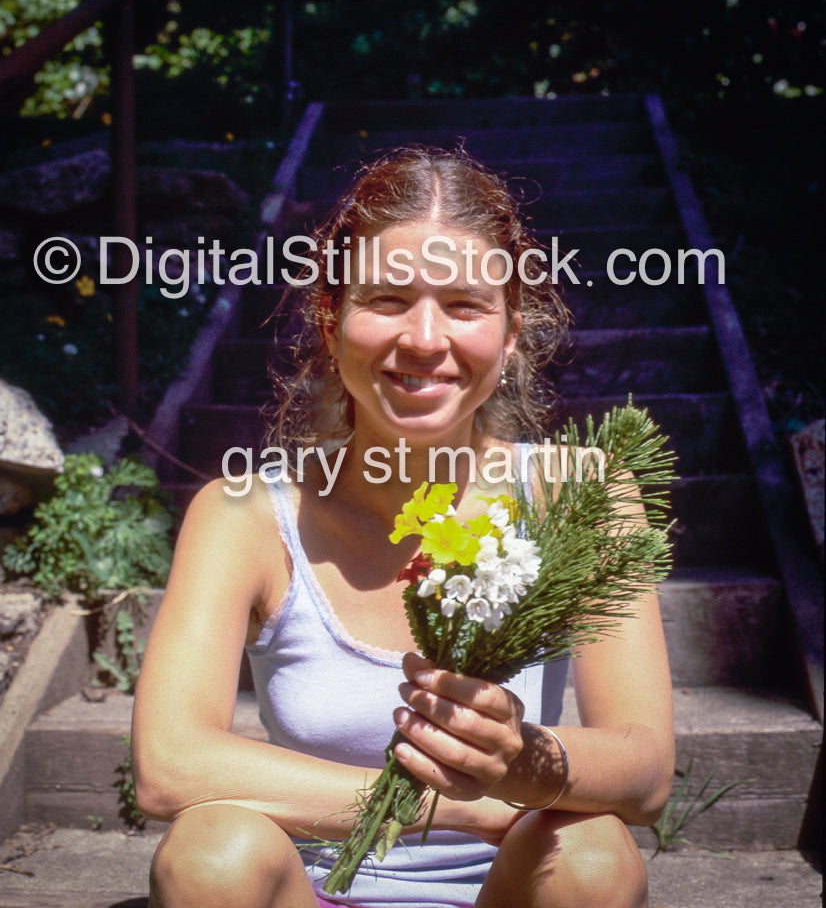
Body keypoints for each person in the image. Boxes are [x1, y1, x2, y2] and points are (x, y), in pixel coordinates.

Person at [132, 146, 675, 908]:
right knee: (209, 853)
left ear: (512, 329)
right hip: (306, 891)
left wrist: (522, 761)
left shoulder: (579, 496)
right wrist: (457, 801)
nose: (424, 339)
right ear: (331, 318)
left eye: (464, 305)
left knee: (593, 852)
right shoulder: (243, 513)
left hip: (508, 891)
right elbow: (168, 765)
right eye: (387, 300)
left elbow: (646, 771)